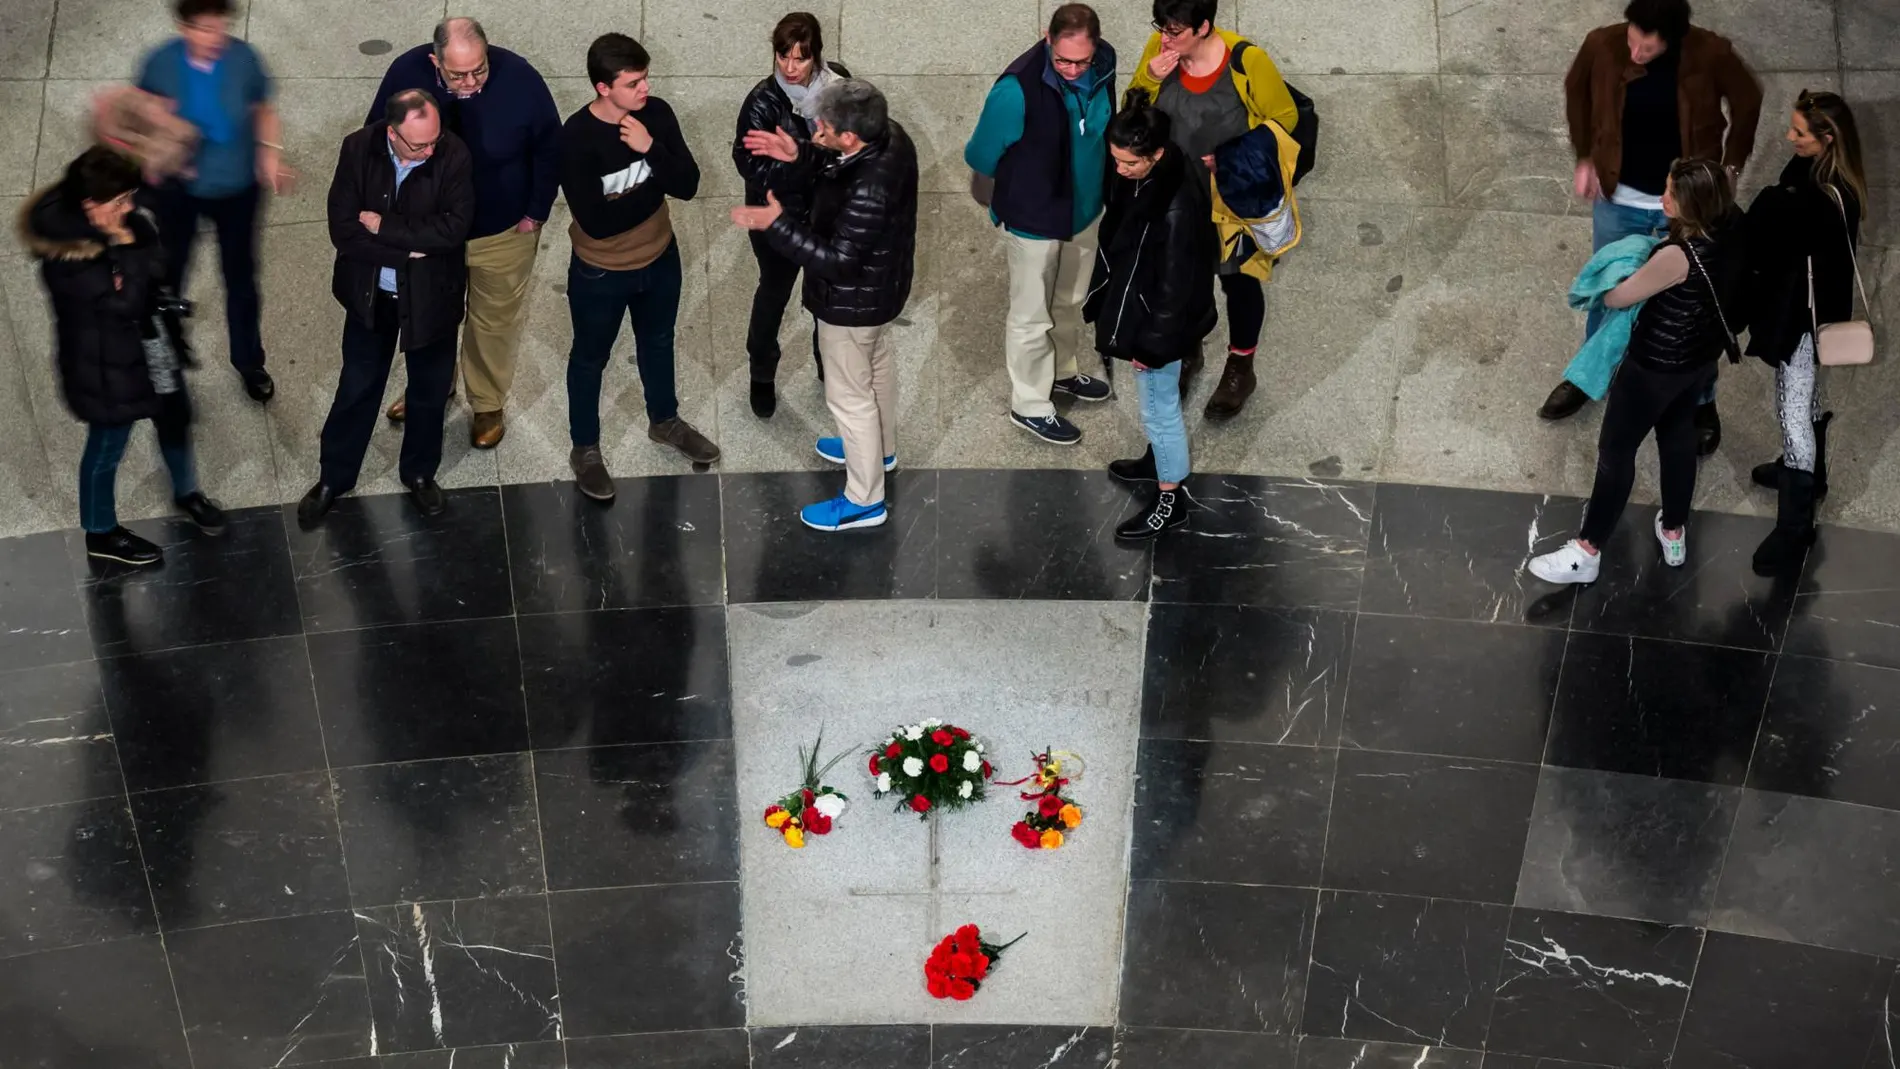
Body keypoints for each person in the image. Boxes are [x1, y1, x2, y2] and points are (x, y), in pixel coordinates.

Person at [1540, 0, 1761, 457]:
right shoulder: (1602, 46)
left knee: (1695, 308)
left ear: (1673, 39)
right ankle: (1589, 377)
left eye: (1649, 46)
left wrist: (1732, 166)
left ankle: (1702, 400)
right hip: (1619, 202)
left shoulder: (1710, 54)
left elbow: (1748, 99)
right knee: (1609, 289)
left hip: (1685, 211)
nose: (1637, 52)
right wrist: (1585, 154)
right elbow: (1575, 88)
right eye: (1633, 39)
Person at [1530, 159, 1742, 585]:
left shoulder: (1676, 258)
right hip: (1697, 363)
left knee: (1615, 452)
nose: (1661, 199)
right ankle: (1673, 530)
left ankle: (1586, 552)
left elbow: (1617, 298)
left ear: (1693, 206)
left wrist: (1617, 275)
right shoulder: (1732, 225)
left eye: (1670, 195)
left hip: (1652, 367)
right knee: (1678, 440)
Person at [20, 147, 225, 568]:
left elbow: (154, 268)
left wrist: (132, 255)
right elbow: (123, 306)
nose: (130, 208)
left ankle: (187, 492)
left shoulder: (115, 222)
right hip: (105, 367)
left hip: (148, 345)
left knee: (173, 414)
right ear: (90, 205)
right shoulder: (68, 258)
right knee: (107, 446)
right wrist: (129, 249)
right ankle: (100, 532)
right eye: (120, 202)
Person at [732, 79, 918, 532]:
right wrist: (799, 154)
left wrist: (776, 225)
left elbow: (838, 261)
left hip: (851, 304)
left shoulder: (868, 190)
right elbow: (836, 165)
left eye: (823, 127)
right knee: (877, 366)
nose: (815, 131)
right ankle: (881, 449)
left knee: (849, 398)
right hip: (880, 292)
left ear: (850, 136)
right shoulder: (889, 136)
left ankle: (864, 500)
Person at [368, 17, 561, 449]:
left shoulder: (521, 80)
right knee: (430, 315)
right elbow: (375, 140)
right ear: (434, 61)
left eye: (479, 70)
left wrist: (536, 212)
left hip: (502, 230)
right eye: (457, 75)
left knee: (494, 320)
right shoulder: (406, 73)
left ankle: (487, 401)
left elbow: (551, 146)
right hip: (430, 233)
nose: (471, 82)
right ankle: (431, 388)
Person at [298, 90, 474, 527]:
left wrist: (385, 227)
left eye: (434, 140)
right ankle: (334, 478)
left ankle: (418, 473)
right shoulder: (357, 148)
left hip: (432, 297)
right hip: (370, 294)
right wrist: (405, 252)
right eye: (419, 145)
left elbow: (453, 229)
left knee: (429, 391)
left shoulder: (453, 153)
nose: (430, 151)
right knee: (357, 385)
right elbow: (343, 230)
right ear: (392, 133)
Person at [560, 33, 719, 503]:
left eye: (645, 78)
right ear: (602, 87)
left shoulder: (657, 115)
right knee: (590, 358)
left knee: (659, 341)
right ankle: (585, 448)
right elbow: (597, 222)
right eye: (633, 83)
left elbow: (688, 184)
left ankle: (664, 420)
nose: (644, 89)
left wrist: (651, 147)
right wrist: (654, 191)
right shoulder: (576, 138)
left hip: (660, 258)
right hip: (600, 272)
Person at [1126, 0, 1297, 421]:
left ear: (1204, 27)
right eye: (1162, 27)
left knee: (1239, 283)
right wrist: (1150, 77)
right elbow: (1132, 114)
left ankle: (1241, 365)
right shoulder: (1158, 49)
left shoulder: (1246, 61)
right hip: (1176, 197)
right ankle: (1188, 352)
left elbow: (1285, 117)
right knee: (1181, 280)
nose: (1166, 38)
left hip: (1230, 202)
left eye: (1177, 30)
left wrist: (1235, 157)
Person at [964, 3, 1117, 446]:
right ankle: (1029, 403)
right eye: (1063, 60)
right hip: (1034, 219)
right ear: (1046, 38)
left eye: (1081, 61)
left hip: (1085, 211)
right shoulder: (1016, 90)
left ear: (1097, 48)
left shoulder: (1104, 67)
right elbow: (981, 155)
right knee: (1031, 315)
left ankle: (1063, 372)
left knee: (1069, 300)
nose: (1072, 70)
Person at [135, 0, 291, 404]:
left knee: (241, 279)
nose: (215, 37)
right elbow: (139, 117)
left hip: (237, 190)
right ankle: (168, 357)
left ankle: (249, 361)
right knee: (169, 276)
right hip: (179, 191)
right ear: (183, 27)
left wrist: (269, 152)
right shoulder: (160, 64)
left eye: (220, 27)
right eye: (205, 29)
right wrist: (157, 141)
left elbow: (263, 108)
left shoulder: (243, 59)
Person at [1741, 90, 1866, 577]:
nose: (1789, 137)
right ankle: (1809, 478)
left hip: (1802, 319)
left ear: (1828, 137)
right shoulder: (1833, 180)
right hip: (1812, 309)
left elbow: (1764, 230)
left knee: (1792, 410)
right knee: (1805, 396)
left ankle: (1796, 527)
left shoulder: (1816, 197)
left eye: (1799, 133)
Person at [1083, 104, 1217, 540]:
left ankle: (1170, 496)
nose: (1119, 169)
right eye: (1116, 158)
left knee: (1160, 411)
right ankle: (1155, 460)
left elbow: (1175, 289)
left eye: (1129, 162)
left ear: (1157, 154)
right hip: (1142, 304)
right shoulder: (1153, 176)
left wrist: (1152, 346)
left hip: (1159, 327)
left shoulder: (1175, 207)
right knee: (1156, 408)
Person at [733, 12, 850, 419]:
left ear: (816, 55)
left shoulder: (839, 86)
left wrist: (812, 160)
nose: (789, 67)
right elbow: (750, 165)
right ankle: (761, 375)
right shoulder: (763, 102)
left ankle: (828, 366)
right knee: (773, 293)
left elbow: (854, 145)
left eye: (800, 58)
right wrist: (808, 161)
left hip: (824, 215)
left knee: (826, 298)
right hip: (776, 218)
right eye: (783, 56)